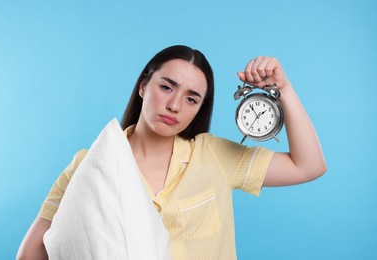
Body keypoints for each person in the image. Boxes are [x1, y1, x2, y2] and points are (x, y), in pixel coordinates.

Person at [17, 45, 326, 259]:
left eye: (192, 99)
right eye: (167, 87)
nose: (175, 105)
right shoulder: (91, 163)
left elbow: (308, 165)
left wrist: (282, 90)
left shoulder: (215, 156)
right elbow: (31, 254)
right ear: (142, 86)